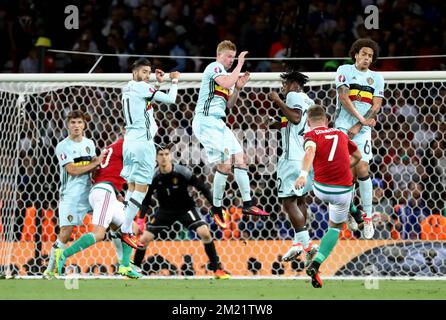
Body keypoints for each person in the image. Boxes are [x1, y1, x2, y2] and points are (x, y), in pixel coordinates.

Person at [192, 40, 269, 229]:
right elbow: (226, 82)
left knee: (239, 157)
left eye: (233, 58)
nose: (230, 61)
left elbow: (230, 104)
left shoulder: (227, 76)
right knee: (226, 162)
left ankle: (248, 204)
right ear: (219, 55)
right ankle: (217, 208)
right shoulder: (214, 68)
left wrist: (239, 87)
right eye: (229, 57)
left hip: (219, 122)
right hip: (206, 120)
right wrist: (241, 64)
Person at [133, 144, 230, 279]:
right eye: (161, 155)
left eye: (166, 154)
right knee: (144, 240)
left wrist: (216, 207)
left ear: (171, 156)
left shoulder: (182, 171)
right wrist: (141, 219)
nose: (164, 158)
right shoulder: (154, 176)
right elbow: (146, 200)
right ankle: (135, 271)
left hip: (186, 209)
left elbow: (203, 187)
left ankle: (217, 270)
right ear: (156, 158)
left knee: (205, 233)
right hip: (165, 211)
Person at [55, 134, 142, 279]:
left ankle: (125, 266)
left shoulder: (110, 148)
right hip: (104, 193)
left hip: (107, 192)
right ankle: (64, 255)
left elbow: (104, 171)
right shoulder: (125, 146)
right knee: (99, 234)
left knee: (131, 227)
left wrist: (116, 191)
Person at [295, 105, 362, 288]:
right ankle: (317, 263)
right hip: (342, 193)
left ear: (308, 123)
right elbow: (358, 155)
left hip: (320, 190)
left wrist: (302, 174)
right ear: (326, 121)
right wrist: (344, 167)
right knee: (335, 228)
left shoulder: (311, 135)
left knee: (313, 168)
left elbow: (310, 151)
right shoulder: (341, 134)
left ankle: (353, 211)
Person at [119, 58, 180, 249]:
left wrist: (156, 84)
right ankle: (126, 229)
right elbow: (171, 99)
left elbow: (144, 99)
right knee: (142, 187)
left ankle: (123, 222)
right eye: (143, 72)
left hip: (128, 142)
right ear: (134, 72)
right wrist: (174, 81)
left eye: (148, 72)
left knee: (131, 186)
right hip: (142, 143)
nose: (147, 75)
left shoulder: (128, 87)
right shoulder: (142, 87)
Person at [43, 110, 105, 279]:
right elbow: (71, 170)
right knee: (66, 232)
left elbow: (94, 167)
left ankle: (124, 265)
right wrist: (95, 163)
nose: (76, 126)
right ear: (68, 125)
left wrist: (100, 170)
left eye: (79, 122)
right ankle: (50, 270)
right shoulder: (63, 146)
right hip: (71, 195)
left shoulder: (89, 143)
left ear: (84, 124)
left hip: (90, 193)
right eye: (73, 122)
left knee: (112, 222)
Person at [334, 38, 385, 239]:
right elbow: (343, 97)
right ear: (355, 54)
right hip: (342, 126)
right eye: (363, 53)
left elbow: (377, 105)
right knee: (346, 172)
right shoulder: (344, 70)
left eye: (370, 56)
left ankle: (368, 217)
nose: (366, 58)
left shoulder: (377, 78)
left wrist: (360, 124)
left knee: (362, 168)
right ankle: (348, 209)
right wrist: (361, 120)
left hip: (361, 130)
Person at [267, 70, 318, 263]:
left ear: (294, 84)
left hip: (291, 159)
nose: (283, 88)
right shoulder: (310, 102)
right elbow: (298, 123)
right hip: (306, 158)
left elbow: (295, 117)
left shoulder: (292, 95)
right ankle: (298, 244)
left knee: (288, 202)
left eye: (285, 85)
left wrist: (277, 100)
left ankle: (306, 244)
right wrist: (278, 124)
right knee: (300, 201)